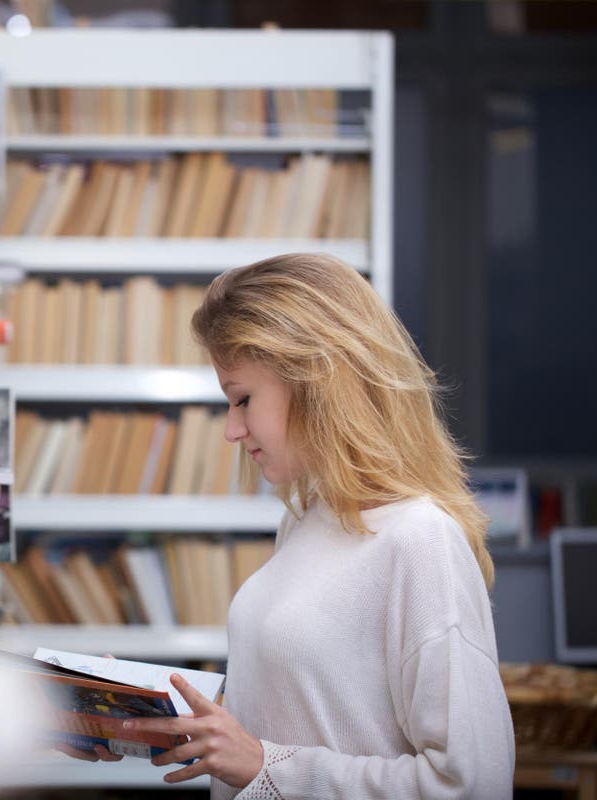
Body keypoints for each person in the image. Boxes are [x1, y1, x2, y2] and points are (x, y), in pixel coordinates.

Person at [59, 253, 515, 798]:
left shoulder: (420, 539)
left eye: (242, 399)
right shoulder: (307, 520)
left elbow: (475, 784)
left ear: (316, 380)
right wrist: (148, 713)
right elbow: (302, 718)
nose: (231, 430)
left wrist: (262, 765)